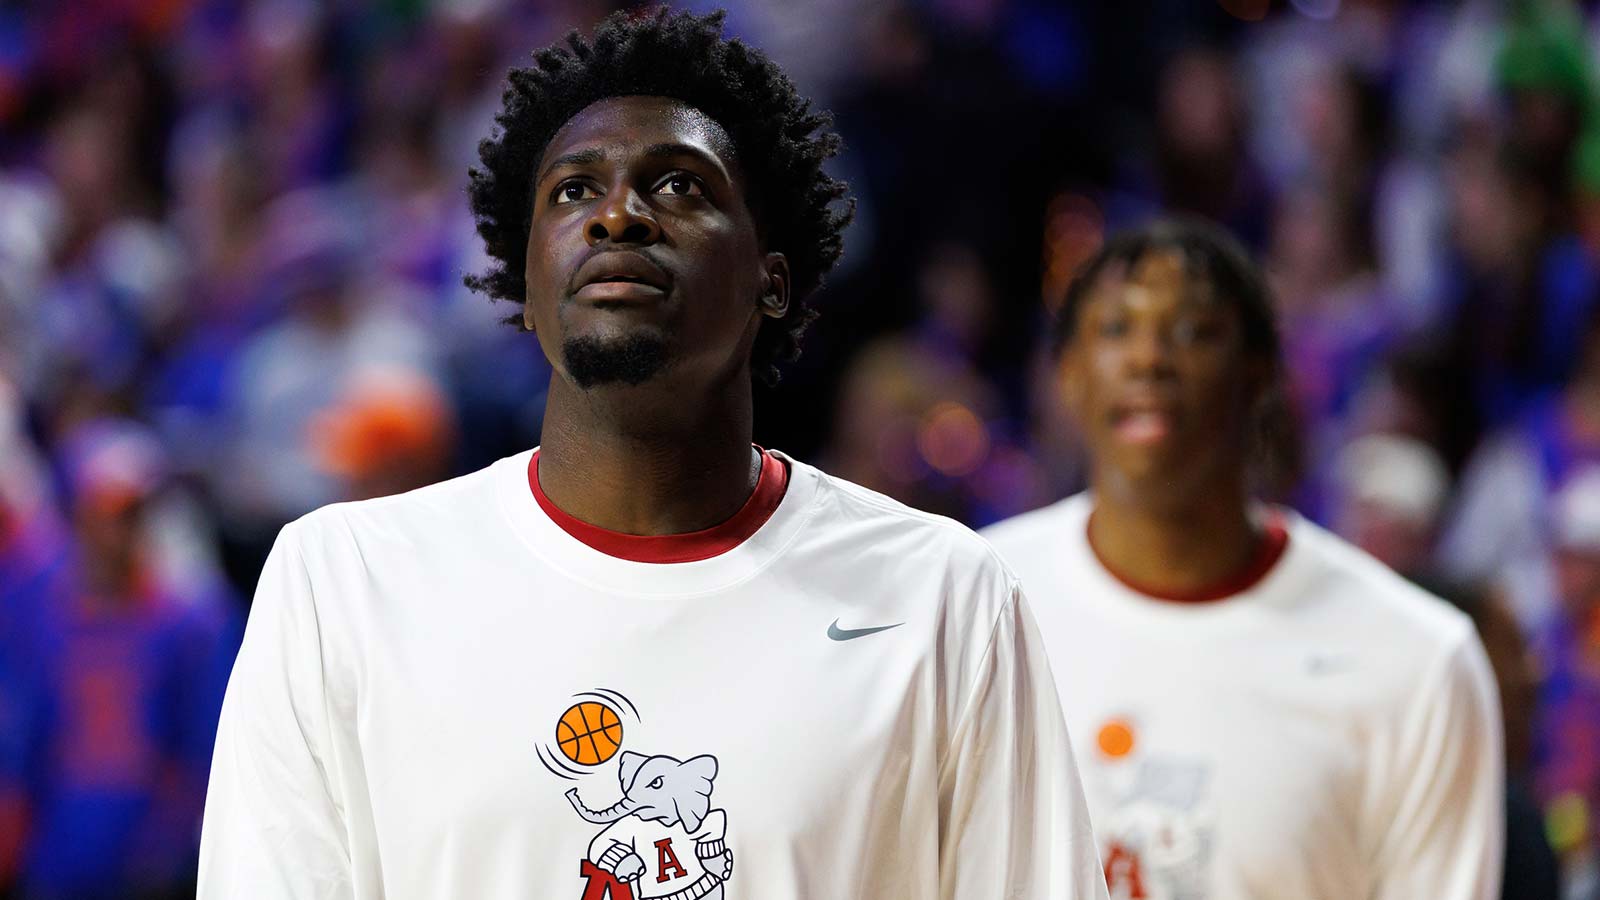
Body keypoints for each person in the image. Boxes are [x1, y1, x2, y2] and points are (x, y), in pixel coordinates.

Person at [198, 10, 1105, 900]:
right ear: (527, 279)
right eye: (573, 190)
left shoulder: (943, 596)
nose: (618, 214)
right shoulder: (343, 582)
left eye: (679, 186)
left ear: (772, 279)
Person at [982, 218, 1503, 899]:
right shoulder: (975, 601)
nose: (1149, 359)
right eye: (1116, 330)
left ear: (1260, 373)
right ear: (1069, 375)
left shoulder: (1419, 659)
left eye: (1193, 330)